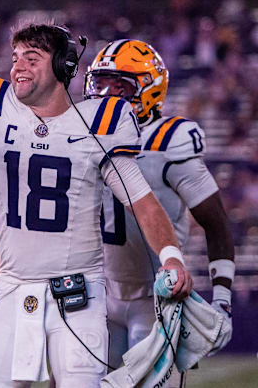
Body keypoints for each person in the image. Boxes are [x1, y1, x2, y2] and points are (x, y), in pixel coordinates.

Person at [0, 0, 194, 387]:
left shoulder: (100, 122)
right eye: (15, 58)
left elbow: (141, 199)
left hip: (78, 293)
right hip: (13, 287)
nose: (18, 67)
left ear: (64, 66)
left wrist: (171, 256)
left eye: (32, 59)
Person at [85, 40, 235, 381]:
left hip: (155, 299)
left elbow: (216, 224)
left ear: (149, 89)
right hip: (98, 295)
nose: (105, 94)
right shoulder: (83, 134)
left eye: (119, 85)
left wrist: (223, 298)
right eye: (100, 82)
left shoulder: (170, 141)